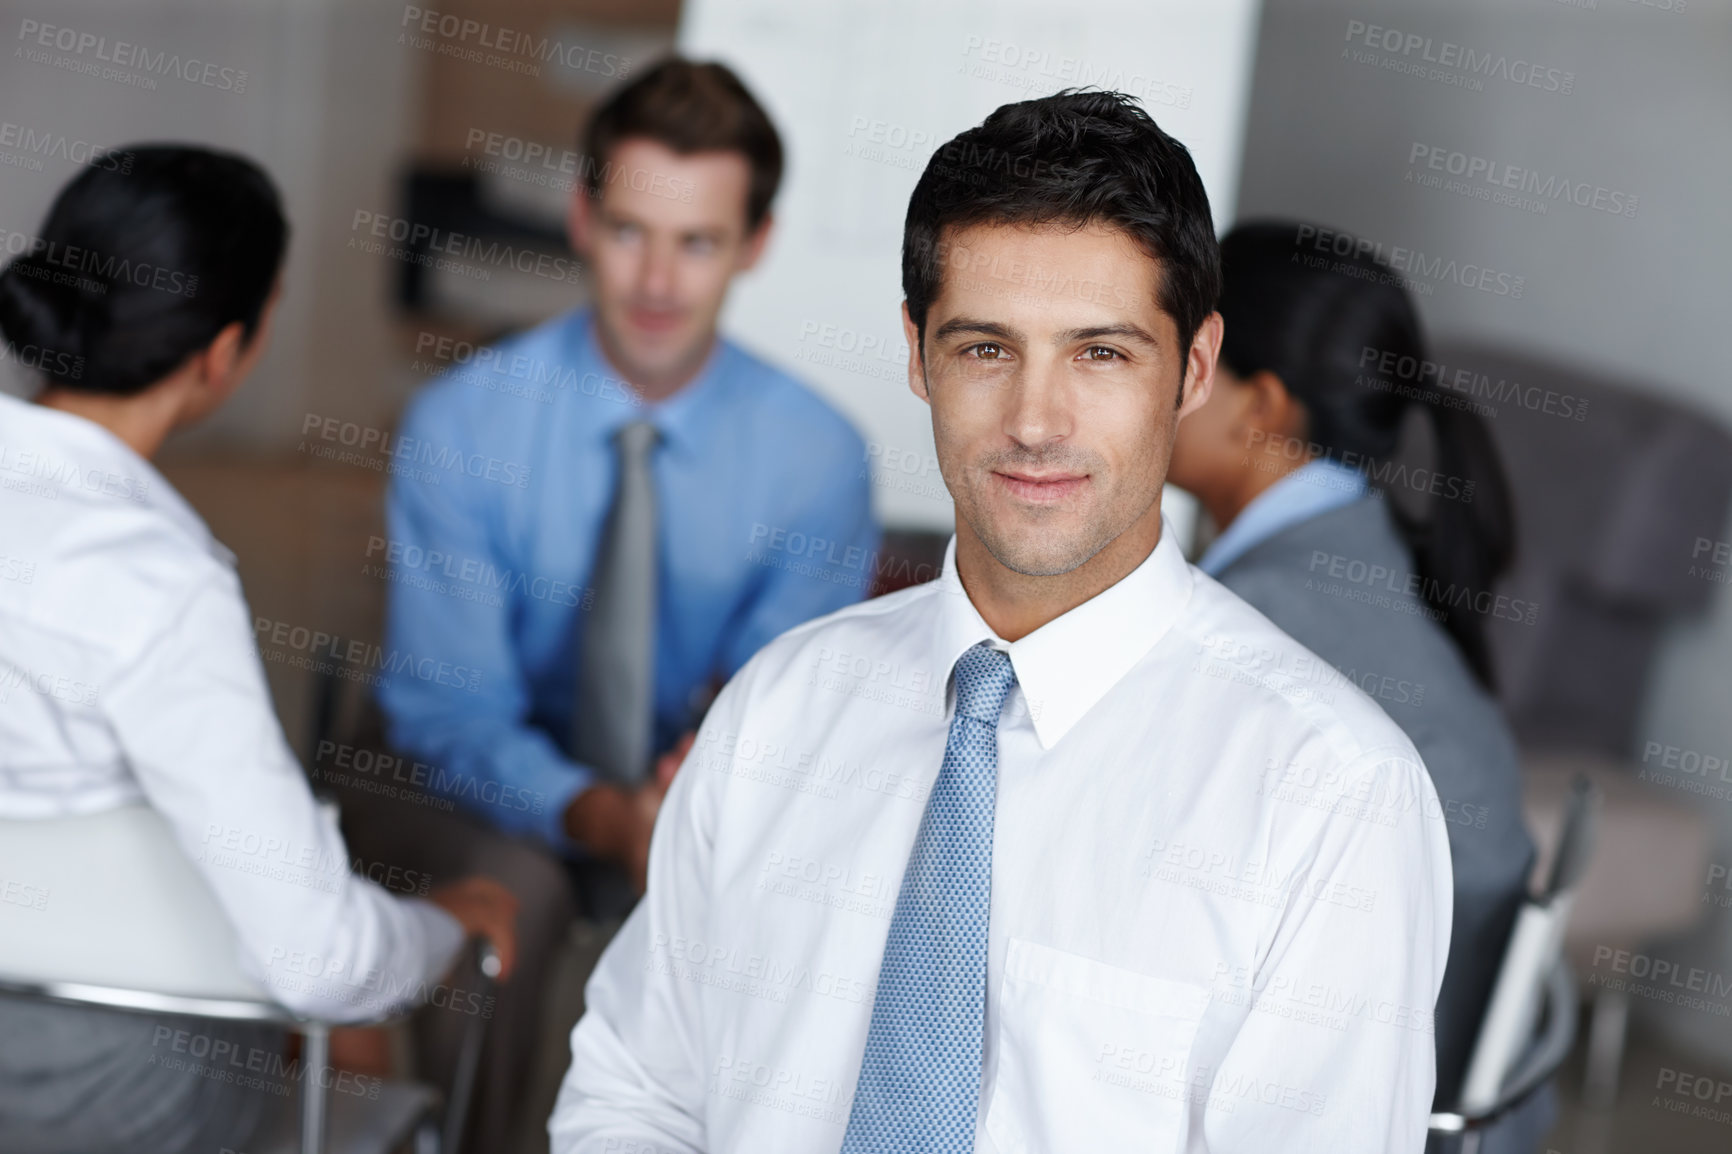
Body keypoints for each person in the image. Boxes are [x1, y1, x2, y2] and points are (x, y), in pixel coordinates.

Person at [549, 91, 1453, 1152]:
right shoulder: (779, 709)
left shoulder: (1331, 796)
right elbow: (635, 1092)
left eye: (1100, 354)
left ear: (1195, 370)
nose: (1034, 420)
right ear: (918, 353)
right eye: (985, 349)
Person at [354, 57, 879, 1149]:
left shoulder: (817, 456)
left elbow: (778, 709)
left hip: (694, 790)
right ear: (583, 218)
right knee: (518, 887)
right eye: (632, 229)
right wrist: (598, 811)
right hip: (478, 785)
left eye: (698, 243)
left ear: (756, 244)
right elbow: (452, 712)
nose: (656, 281)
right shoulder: (462, 424)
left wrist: (680, 808)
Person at [0, 146, 518, 1154]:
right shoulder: (158, 579)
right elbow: (321, 960)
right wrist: (449, 921)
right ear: (226, 348)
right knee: (335, 998)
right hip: (114, 1102)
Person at [1166, 220, 1544, 1151]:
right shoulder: (1365, 547)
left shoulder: (1251, 622)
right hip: (1478, 1075)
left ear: (1260, 404)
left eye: (1177, 356)